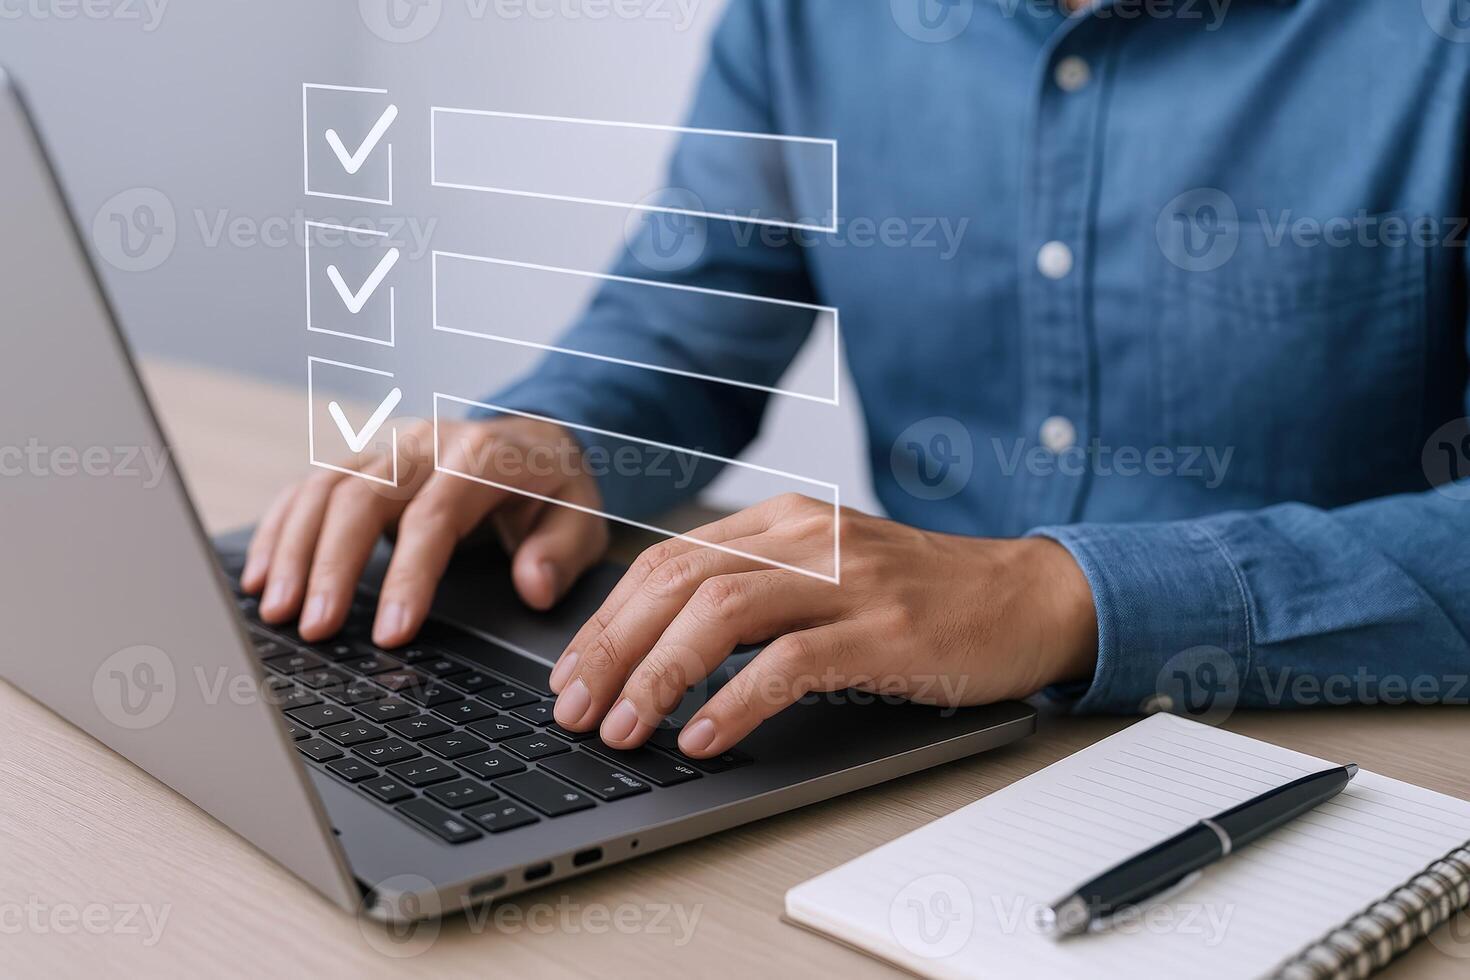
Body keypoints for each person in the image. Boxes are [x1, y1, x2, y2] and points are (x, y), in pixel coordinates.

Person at [244, 1, 1470, 760]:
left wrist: (1061, 593)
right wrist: (554, 436)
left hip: (1342, 765)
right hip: (922, 746)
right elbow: (691, 315)